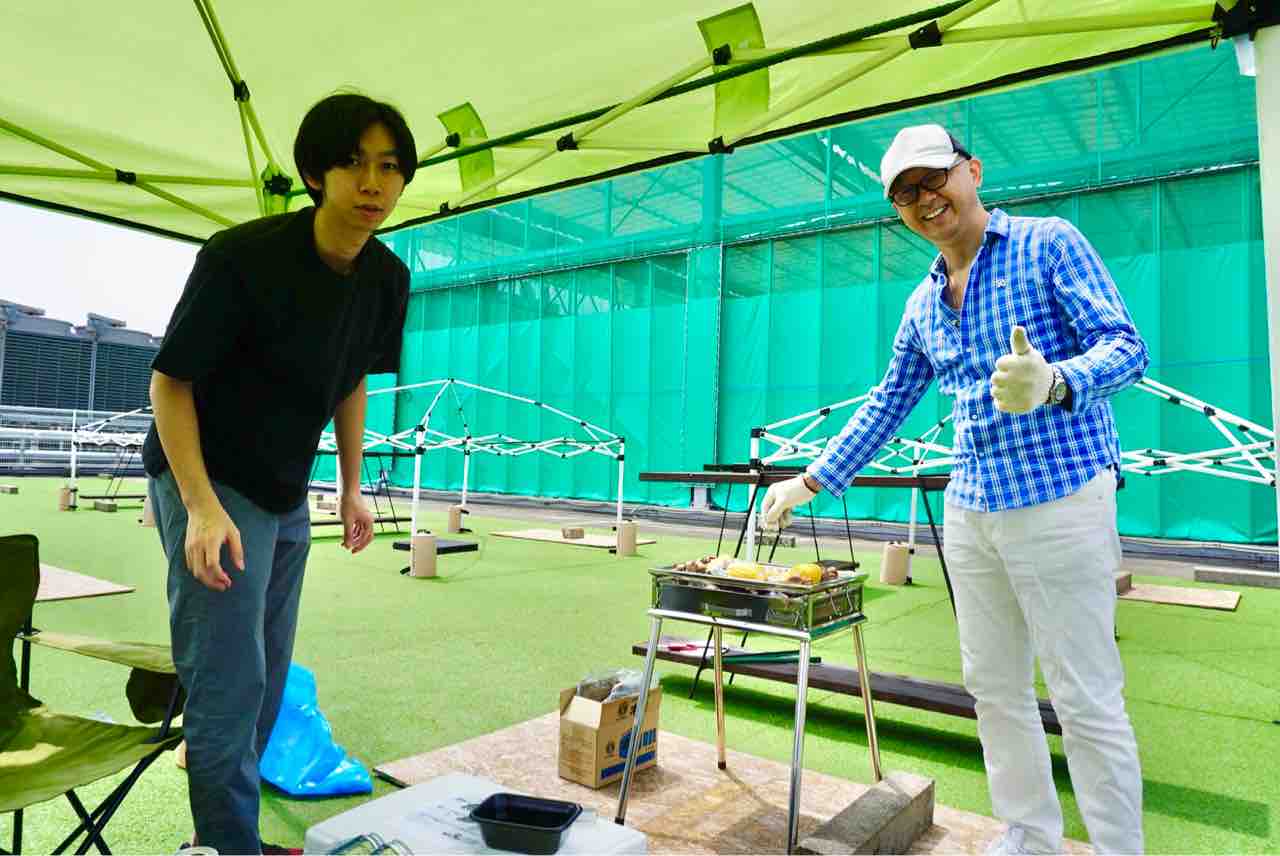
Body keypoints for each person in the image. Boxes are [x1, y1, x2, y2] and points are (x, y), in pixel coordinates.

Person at [761, 124, 1147, 855]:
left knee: (1084, 696)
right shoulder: (923, 302)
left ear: (972, 170)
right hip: (971, 508)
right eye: (905, 193)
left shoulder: (1048, 243)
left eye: (933, 177)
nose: (923, 198)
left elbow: (1126, 346)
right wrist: (808, 480)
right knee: (994, 688)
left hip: (1062, 496)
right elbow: (888, 402)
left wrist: (1057, 380)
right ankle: (1029, 836)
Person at [143, 93, 415, 854]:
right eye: (353, 163)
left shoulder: (386, 278)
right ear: (315, 173)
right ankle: (225, 845)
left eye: (389, 166)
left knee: (265, 671)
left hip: (284, 485)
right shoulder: (241, 257)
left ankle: (223, 828)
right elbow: (170, 383)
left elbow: (353, 379)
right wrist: (200, 507)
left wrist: (352, 486)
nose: (373, 182)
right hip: (209, 475)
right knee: (229, 678)